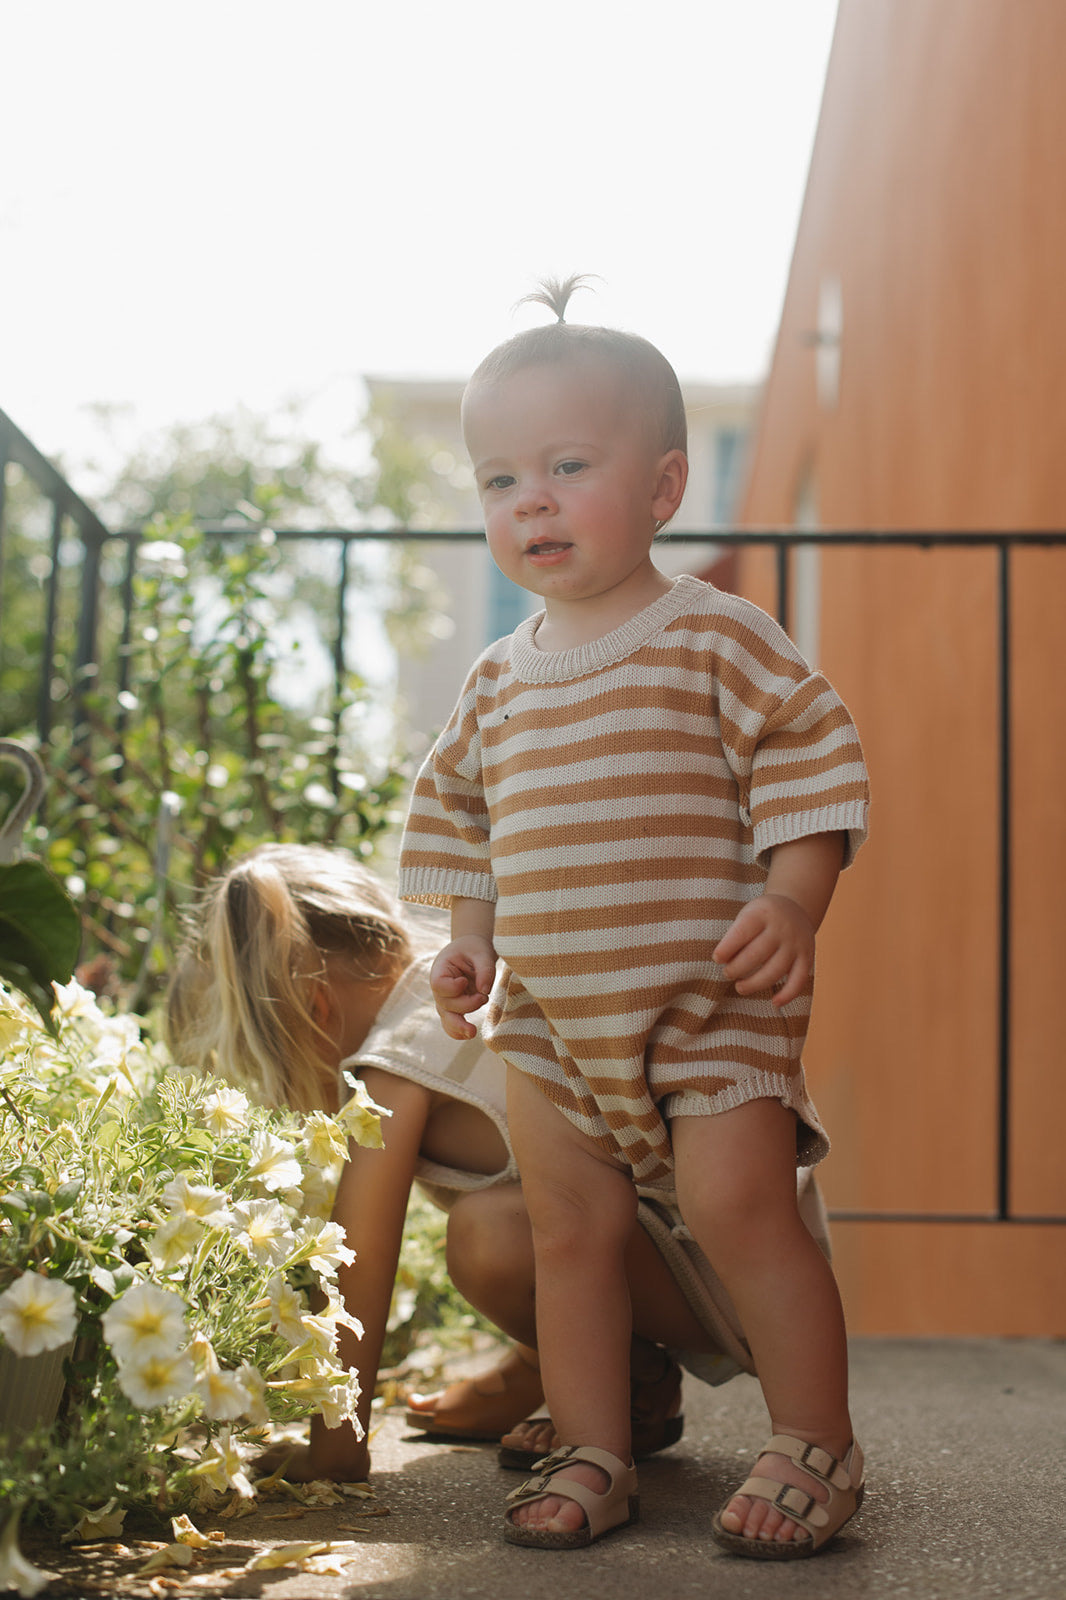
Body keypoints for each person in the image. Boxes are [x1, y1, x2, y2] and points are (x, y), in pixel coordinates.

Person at [398, 277, 871, 1558]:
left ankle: (813, 1439)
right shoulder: (498, 678)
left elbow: (809, 759)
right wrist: (470, 933)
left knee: (738, 1213)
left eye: (566, 465)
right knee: (570, 1229)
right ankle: (596, 1442)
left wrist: (793, 896)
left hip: (708, 1004)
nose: (530, 500)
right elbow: (462, 818)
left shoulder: (714, 635)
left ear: (662, 487)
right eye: (500, 480)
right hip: (553, 1012)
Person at [167, 841, 815, 1485]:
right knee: (538, 1203)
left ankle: (629, 1386)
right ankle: (568, 1375)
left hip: (729, 1278)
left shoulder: (393, 1068)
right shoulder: (442, 996)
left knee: (489, 1234)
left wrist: (335, 1448)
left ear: (313, 1010)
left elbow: (354, 1260)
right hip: (767, 1254)